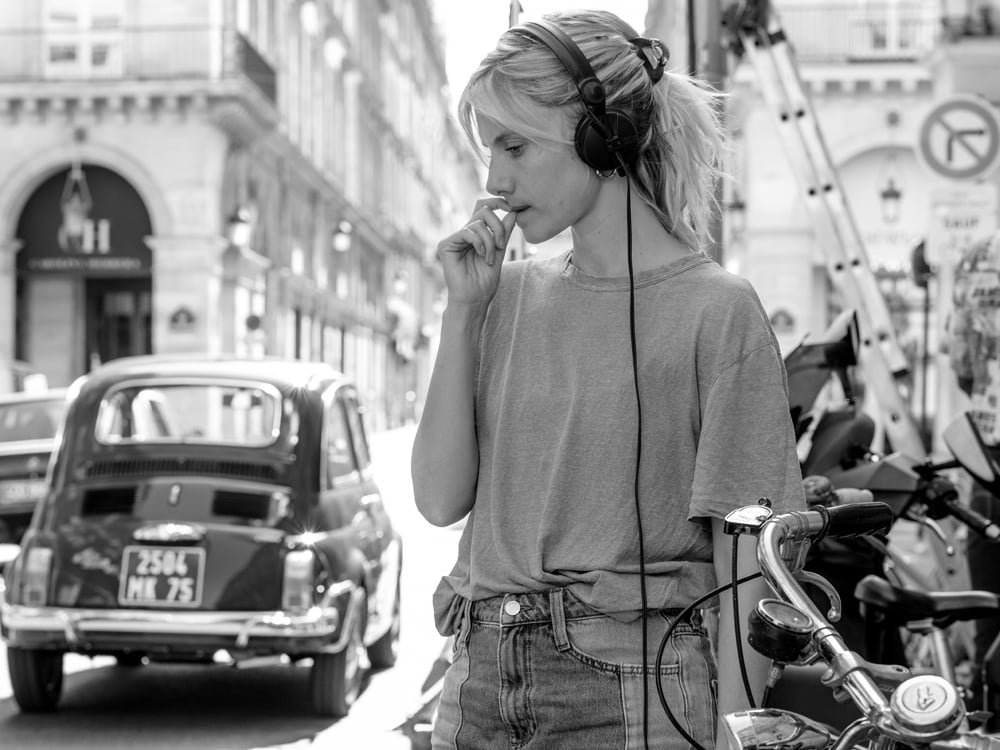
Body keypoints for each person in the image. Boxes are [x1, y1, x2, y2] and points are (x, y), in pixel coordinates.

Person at [410, 10, 806, 749]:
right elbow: (437, 501)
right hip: (480, 678)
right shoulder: (507, 294)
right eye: (488, 149)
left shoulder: (716, 310)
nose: (494, 179)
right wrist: (463, 313)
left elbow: (750, 562)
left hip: (632, 685)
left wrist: (736, 737)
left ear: (603, 135)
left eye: (515, 145)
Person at [947, 229, 1000, 730]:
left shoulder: (979, 256)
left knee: (989, 600)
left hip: (992, 452)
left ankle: (991, 718)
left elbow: (962, 364)